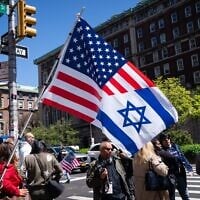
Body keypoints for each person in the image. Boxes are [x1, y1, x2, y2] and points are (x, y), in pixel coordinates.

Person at [159, 133, 193, 200]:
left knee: (185, 194)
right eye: (164, 140)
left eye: (168, 139)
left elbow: (182, 157)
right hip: (170, 176)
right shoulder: (161, 151)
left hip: (180, 174)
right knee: (171, 196)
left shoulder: (175, 146)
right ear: (161, 142)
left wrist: (189, 168)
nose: (167, 141)